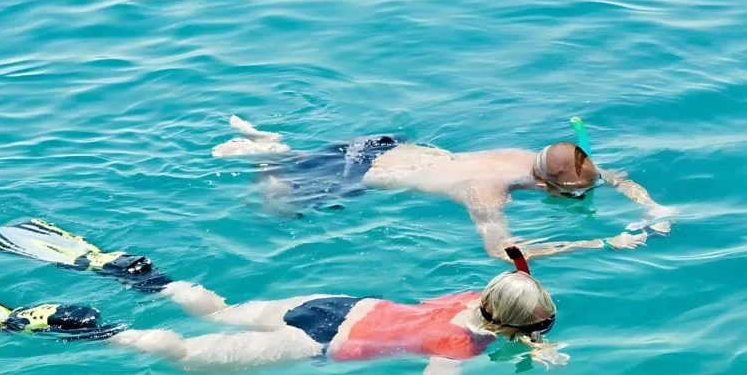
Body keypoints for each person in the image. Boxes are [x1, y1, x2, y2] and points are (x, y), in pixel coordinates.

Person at [0, 219, 569, 375]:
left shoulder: (472, 299)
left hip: (335, 303)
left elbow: (512, 292)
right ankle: (95, 328)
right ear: (515, 328)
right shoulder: (460, 345)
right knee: (184, 357)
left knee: (221, 311)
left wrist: (528, 334)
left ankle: (141, 276)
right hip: (318, 345)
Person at [212, 115, 676, 261]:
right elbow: (502, 251)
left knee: (299, 162)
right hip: (359, 175)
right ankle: (262, 151)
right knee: (277, 208)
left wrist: (652, 206)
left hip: (386, 147)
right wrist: (598, 242)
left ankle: (270, 144)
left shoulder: (526, 160)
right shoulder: (487, 189)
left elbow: (610, 175)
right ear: (549, 184)